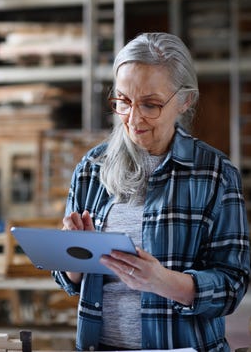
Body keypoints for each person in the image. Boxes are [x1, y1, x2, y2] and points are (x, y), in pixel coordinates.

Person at [52, 32, 250, 352]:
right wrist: (75, 255)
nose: (133, 118)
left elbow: (232, 286)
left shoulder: (214, 174)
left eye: (151, 104)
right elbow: (69, 281)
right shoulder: (91, 169)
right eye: (123, 101)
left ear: (185, 101)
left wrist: (163, 281)